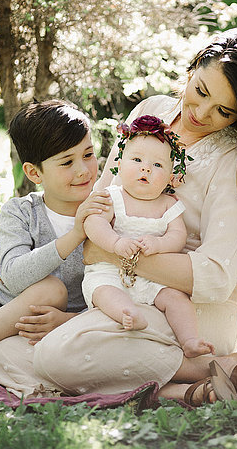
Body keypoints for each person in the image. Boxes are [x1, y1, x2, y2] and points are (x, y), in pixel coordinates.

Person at [0, 27, 237, 407]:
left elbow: (215, 275)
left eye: (225, 111)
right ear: (193, 68)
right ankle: (186, 388)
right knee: (7, 352)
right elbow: (101, 200)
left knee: (55, 355)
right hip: (115, 293)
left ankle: (210, 364)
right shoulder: (151, 112)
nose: (201, 114)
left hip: (187, 308)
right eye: (202, 92)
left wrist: (113, 255)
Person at [82, 115, 215, 358]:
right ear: (119, 165)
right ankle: (127, 313)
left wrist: (158, 243)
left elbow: (178, 236)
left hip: (153, 278)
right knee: (103, 291)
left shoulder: (168, 204)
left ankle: (190, 340)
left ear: (169, 177)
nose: (146, 168)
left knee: (176, 298)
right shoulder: (114, 196)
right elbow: (93, 223)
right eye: (137, 160)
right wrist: (115, 242)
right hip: (109, 272)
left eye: (157, 165)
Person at [0, 100, 111, 345]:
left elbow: (116, 290)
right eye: (67, 162)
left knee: (54, 291)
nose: (83, 170)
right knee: (51, 289)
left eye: (88, 155)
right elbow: (13, 278)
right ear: (35, 173)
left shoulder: (108, 214)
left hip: (52, 318)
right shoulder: (20, 212)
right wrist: (76, 234)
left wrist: (67, 319)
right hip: (2, 302)